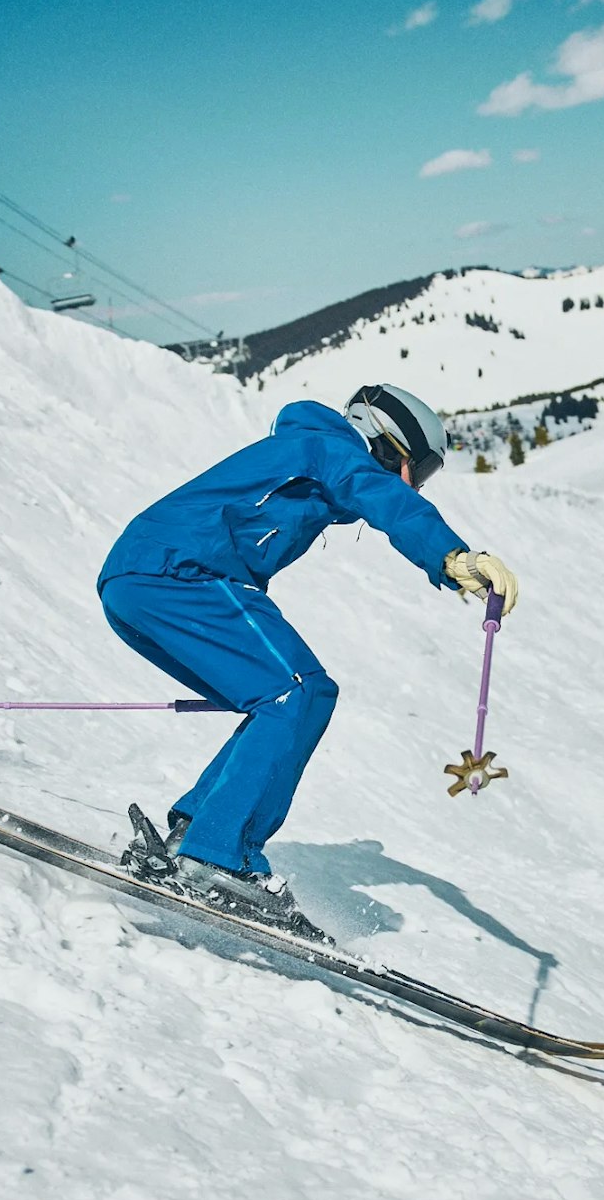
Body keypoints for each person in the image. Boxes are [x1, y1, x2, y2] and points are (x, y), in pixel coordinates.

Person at [96, 383, 518, 940]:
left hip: (141, 580)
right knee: (298, 693)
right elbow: (383, 497)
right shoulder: (328, 448)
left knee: (281, 698)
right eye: (416, 469)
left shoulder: (310, 455)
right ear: (387, 445)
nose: (411, 482)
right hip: (180, 575)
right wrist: (452, 555)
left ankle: (197, 834)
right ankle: (217, 858)